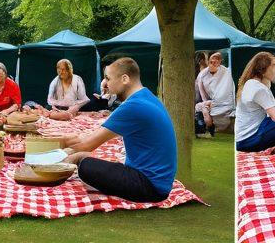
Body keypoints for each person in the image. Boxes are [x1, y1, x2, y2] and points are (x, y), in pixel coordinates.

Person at [64, 58, 176, 204]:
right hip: (159, 183)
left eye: (108, 78)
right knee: (85, 158)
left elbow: (87, 144)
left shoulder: (133, 106)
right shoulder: (147, 97)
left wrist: (57, 149)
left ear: (124, 79)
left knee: (86, 166)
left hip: (150, 187)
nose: (105, 84)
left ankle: (74, 160)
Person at [196, 51, 236, 136]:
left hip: (225, 103)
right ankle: (208, 129)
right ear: (208, 61)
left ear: (220, 62)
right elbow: (202, 94)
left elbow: (229, 91)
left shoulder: (226, 72)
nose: (213, 63)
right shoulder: (202, 75)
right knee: (201, 108)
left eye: (216, 61)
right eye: (211, 61)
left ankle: (210, 129)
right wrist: (206, 103)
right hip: (211, 103)